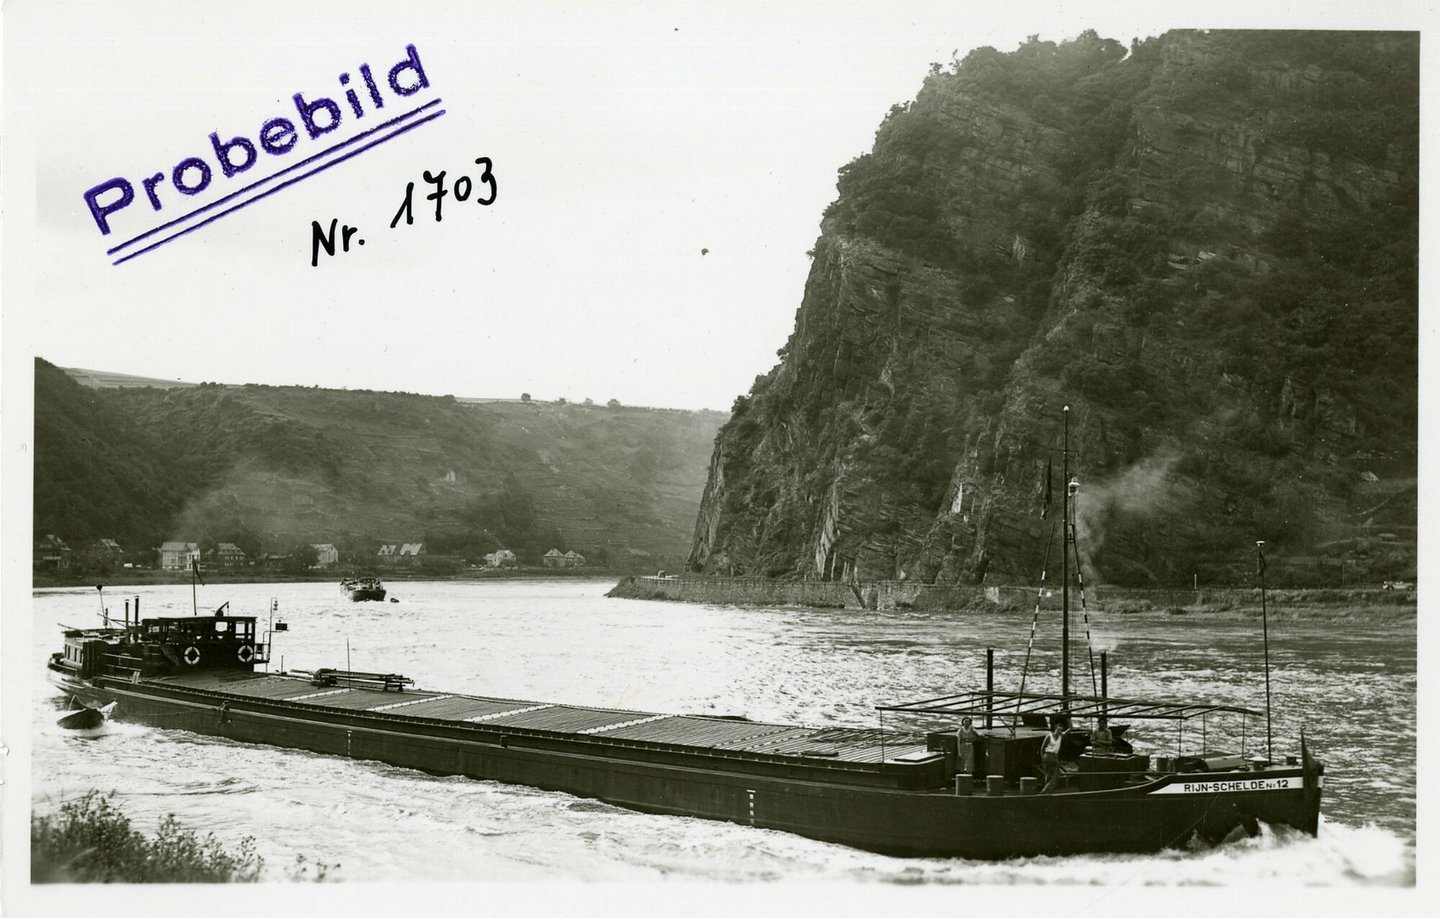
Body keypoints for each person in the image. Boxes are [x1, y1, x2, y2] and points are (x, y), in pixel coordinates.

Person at [1040, 721, 1067, 792]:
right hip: (1048, 755)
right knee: (1054, 776)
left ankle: (1045, 790)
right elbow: (1042, 748)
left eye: (1061, 730)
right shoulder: (1049, 736)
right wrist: (1042, 757)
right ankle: (1045, 792)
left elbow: (1070, 730)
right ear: (1055, 729)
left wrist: (1068, 718)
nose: (1059, 731)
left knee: (1049, 775)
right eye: (1058, 730)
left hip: (1055, 756)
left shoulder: (1061, 736)